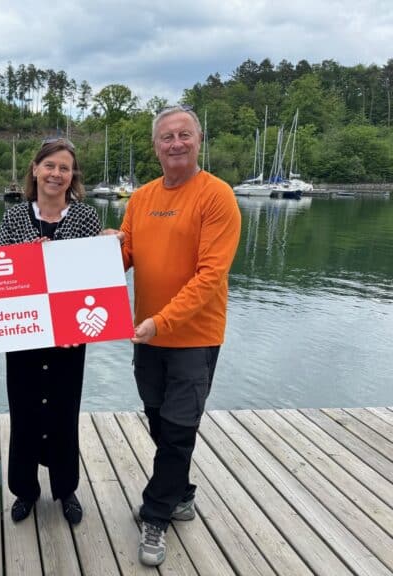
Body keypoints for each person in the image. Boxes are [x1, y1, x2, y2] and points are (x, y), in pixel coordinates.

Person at [119, 106, 241, 566]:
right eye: (167, 137)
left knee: (177, 429)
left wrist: (162, 322)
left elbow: (210, 276)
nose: (176, 143)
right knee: (159, 421)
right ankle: (182, 492)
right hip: (147, 336)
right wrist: (98, 252)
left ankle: (156, 514)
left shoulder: (217, 196)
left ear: (199, 139)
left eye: (184, 135)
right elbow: (124, 256)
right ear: (155, 147)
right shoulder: (141, 198)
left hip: (193, 337)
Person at [0, 138, 102, 526]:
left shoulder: (86, 217)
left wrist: (110, 245)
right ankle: (24, 490)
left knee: (64, 412)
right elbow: (0, 276)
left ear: (73, 175)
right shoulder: (14, 216)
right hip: (25, 332)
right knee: (23, 413)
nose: (56, 174)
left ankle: (65, 488)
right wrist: (28, 258)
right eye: (50, 166)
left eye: (64, 168)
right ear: (35, 169)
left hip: (70, 336)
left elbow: (95, 277)